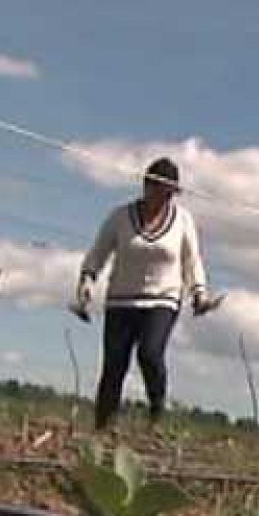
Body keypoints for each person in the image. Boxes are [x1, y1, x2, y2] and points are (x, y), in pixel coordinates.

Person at [73, 156, 222, 431]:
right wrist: (86, 281)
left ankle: (156, 413)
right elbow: (99, 252)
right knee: (114, 364)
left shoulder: (182, 220)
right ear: (146, 186)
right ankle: (104, 425)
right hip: (121, 299)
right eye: (157, 190)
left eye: (168, 193)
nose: (162, 198)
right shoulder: (120, 217)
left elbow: (191, 260)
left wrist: (199, 294)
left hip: (162, 299)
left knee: (150, 353)